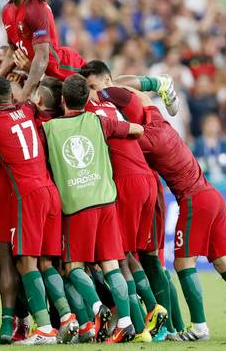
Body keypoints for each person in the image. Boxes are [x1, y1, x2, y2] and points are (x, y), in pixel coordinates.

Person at [112, 78, 226, 342]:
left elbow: (123, 140)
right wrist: (142, 83)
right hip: (212, 195)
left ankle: (199, 328)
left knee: (184, 262)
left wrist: (105, 94)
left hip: (193, 199)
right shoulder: (159, 121)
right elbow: (144, 97)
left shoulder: (145, 141)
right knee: (224, 262)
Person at [42, 75, 144, 343]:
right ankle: (125, 322)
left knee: (73, 266)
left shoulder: (49, 128)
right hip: (105, 200)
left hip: (77, 205)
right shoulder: (98, 121)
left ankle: (97, 307)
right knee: (111, 265)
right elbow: (136, 130)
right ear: (88, 101)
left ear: (63, 100)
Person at [0, 76, 75, 345]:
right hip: (50, 191)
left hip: (27, 196)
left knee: (25, 263)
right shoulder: (28, 109)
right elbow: (31, 101)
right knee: (46, 262)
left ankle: (44, 328)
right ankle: (66, 318)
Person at [80, 61, 167, 342]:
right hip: (145, 179)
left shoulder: (91, 110)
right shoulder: (113, 107)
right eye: (89, 88)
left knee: (120, 256)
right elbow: (137, 125)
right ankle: (152, 309)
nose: (93, 92)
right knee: (131, 253)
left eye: (94, 87)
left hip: (127, 183)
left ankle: (141, 324)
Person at [0, 0, 87, 99]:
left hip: (66, 71)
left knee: (106, 92)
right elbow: (13, 50)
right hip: (41, 77)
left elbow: (42, 58)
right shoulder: (6, 11)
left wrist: (24, 95)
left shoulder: (35, 9)